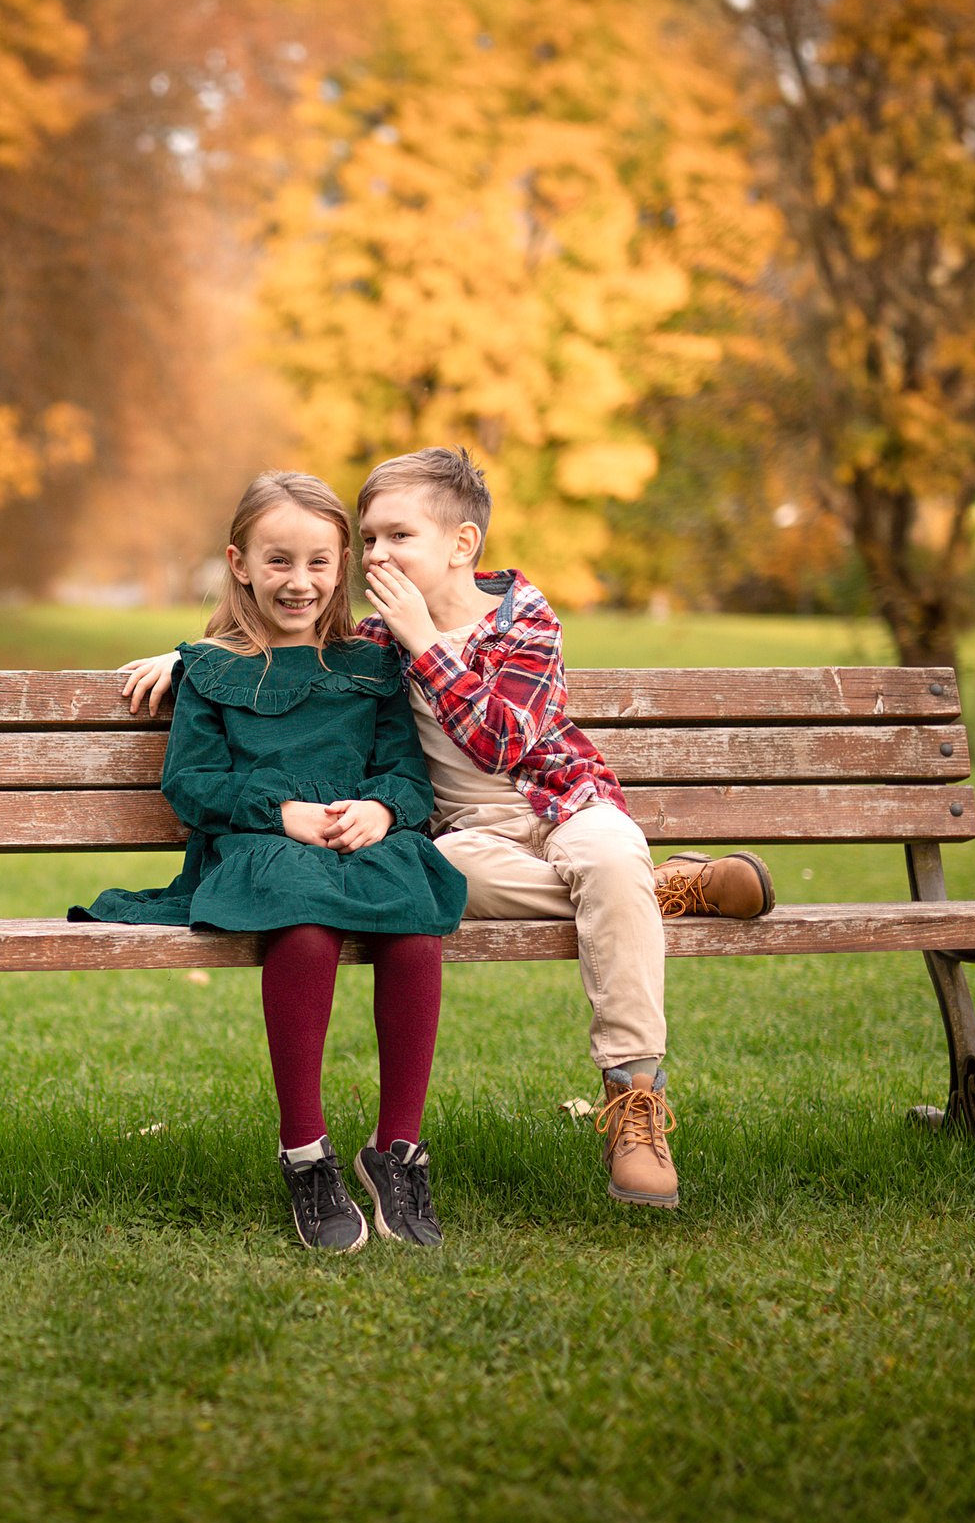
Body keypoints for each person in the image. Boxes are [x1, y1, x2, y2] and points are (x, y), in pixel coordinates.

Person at [121, 449, 774, 1211]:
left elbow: (501, 741)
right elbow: (285, 646)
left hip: (566, 804)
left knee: (604, 859)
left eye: (398, 537)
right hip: (470, 836)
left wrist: (427, 643)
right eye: (368, 541)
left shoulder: (524, 618)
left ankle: (634, 1096)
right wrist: (189, 658)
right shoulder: (379, 639)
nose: (377, 557)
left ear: (461, 545)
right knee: (458, 883)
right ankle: (655, 893)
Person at [74, 471, 467, 1253]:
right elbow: (190, 784)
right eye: (279, 561)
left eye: (320, 563)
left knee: (416, 922)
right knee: (304, 925)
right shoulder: (214, 672)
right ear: (240, 563)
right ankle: (306, 1154)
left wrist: (382, 810)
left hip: (358, 839)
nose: (301, 581)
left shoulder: (371, 666)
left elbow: (406, 771)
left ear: (343, 566)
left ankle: (398, 1151)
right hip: (256, 846)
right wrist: (276, 813)